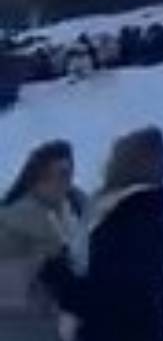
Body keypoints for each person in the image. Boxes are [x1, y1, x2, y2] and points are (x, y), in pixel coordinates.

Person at [40, 127, 163, 341]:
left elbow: (106, 297)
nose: (106, 164)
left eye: (115, 158)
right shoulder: (144, 213)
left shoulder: (133, 221)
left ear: (127, 164)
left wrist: (56, 274)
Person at [0, 140, 86, 341]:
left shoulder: (78, 208)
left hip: (66, 324)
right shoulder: (13, 221)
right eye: (59, 174)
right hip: (22, 325)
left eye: (69, 173)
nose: (65, 181)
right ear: (38, 177)